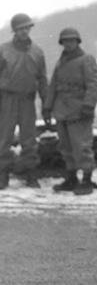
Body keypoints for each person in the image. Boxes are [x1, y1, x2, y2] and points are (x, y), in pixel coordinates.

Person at [43, 27, 97, 195]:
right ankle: (71, 178)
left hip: (79, 111)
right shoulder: (61, 62)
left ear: (77, 41)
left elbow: (93, 84)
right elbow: (53, 86)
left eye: (72, 40)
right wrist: (47, 107)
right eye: (66, 41)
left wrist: (88, 105)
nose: (69, 44)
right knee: (66, 147)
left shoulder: (86, 60)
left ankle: (87, 180)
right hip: (62, 111)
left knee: (82, 146)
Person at [0, 13, 47, 189]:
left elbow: (42, 79)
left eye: (27, 28)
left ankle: (31, 174)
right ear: (14, 31)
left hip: (28, 100)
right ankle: (2, 174)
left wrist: (46, 104)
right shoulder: (3, 50)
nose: (24, 31)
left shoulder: (37, 52)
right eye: (20, 29)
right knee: (3, 139)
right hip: (7, 99)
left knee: (29, 139)